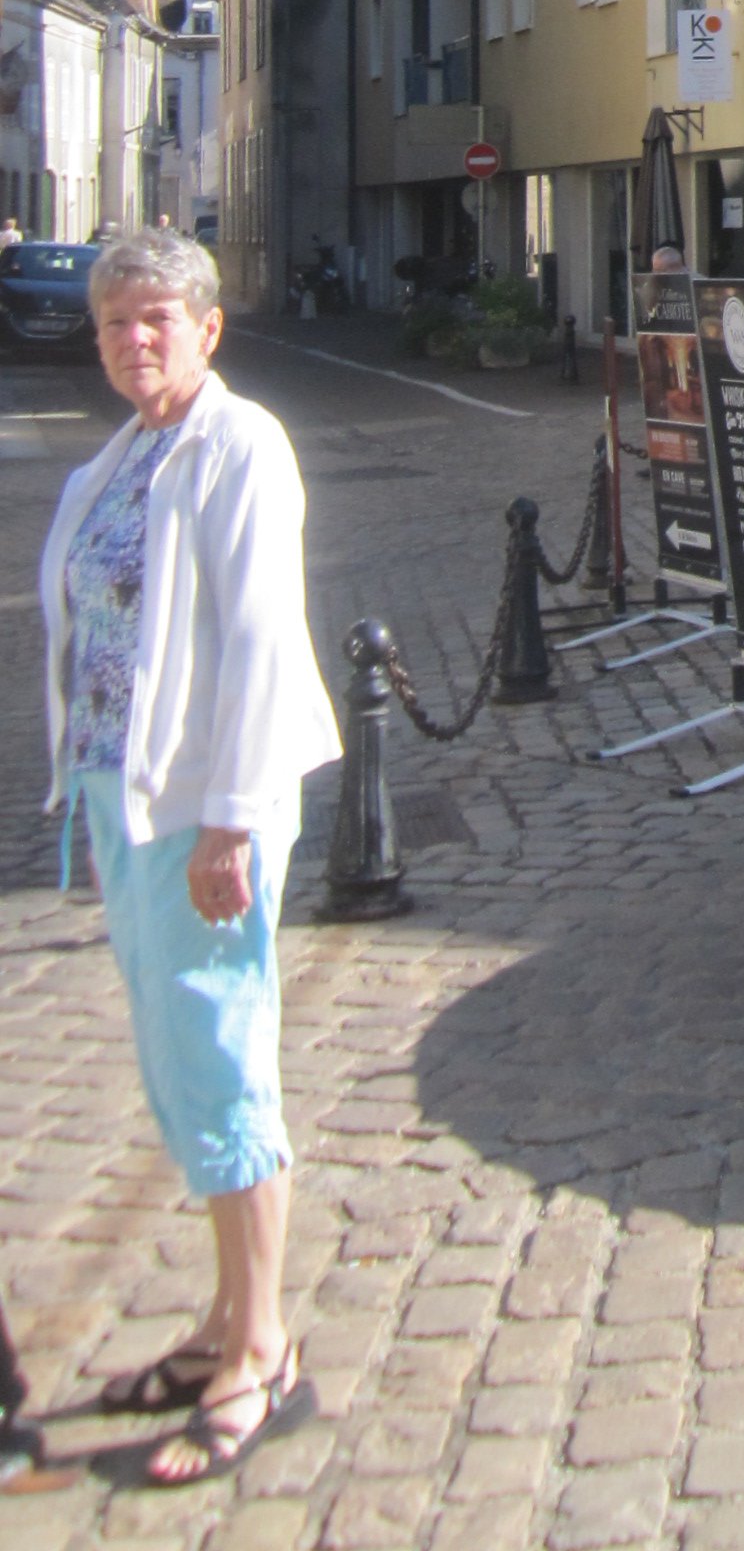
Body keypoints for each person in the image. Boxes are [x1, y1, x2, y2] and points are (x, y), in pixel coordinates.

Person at [38, 230, 339, 1482]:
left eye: (159, 318)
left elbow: (263, 643)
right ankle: (222, 1316)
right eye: (116, 323)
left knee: (220, 1057)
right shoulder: (123, 455)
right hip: (124, 797)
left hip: (204, 808)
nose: (137, 339)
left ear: (209, 328)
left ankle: (260, 1346)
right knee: (175, 1056)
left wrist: (231, 818)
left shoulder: (239, 446)